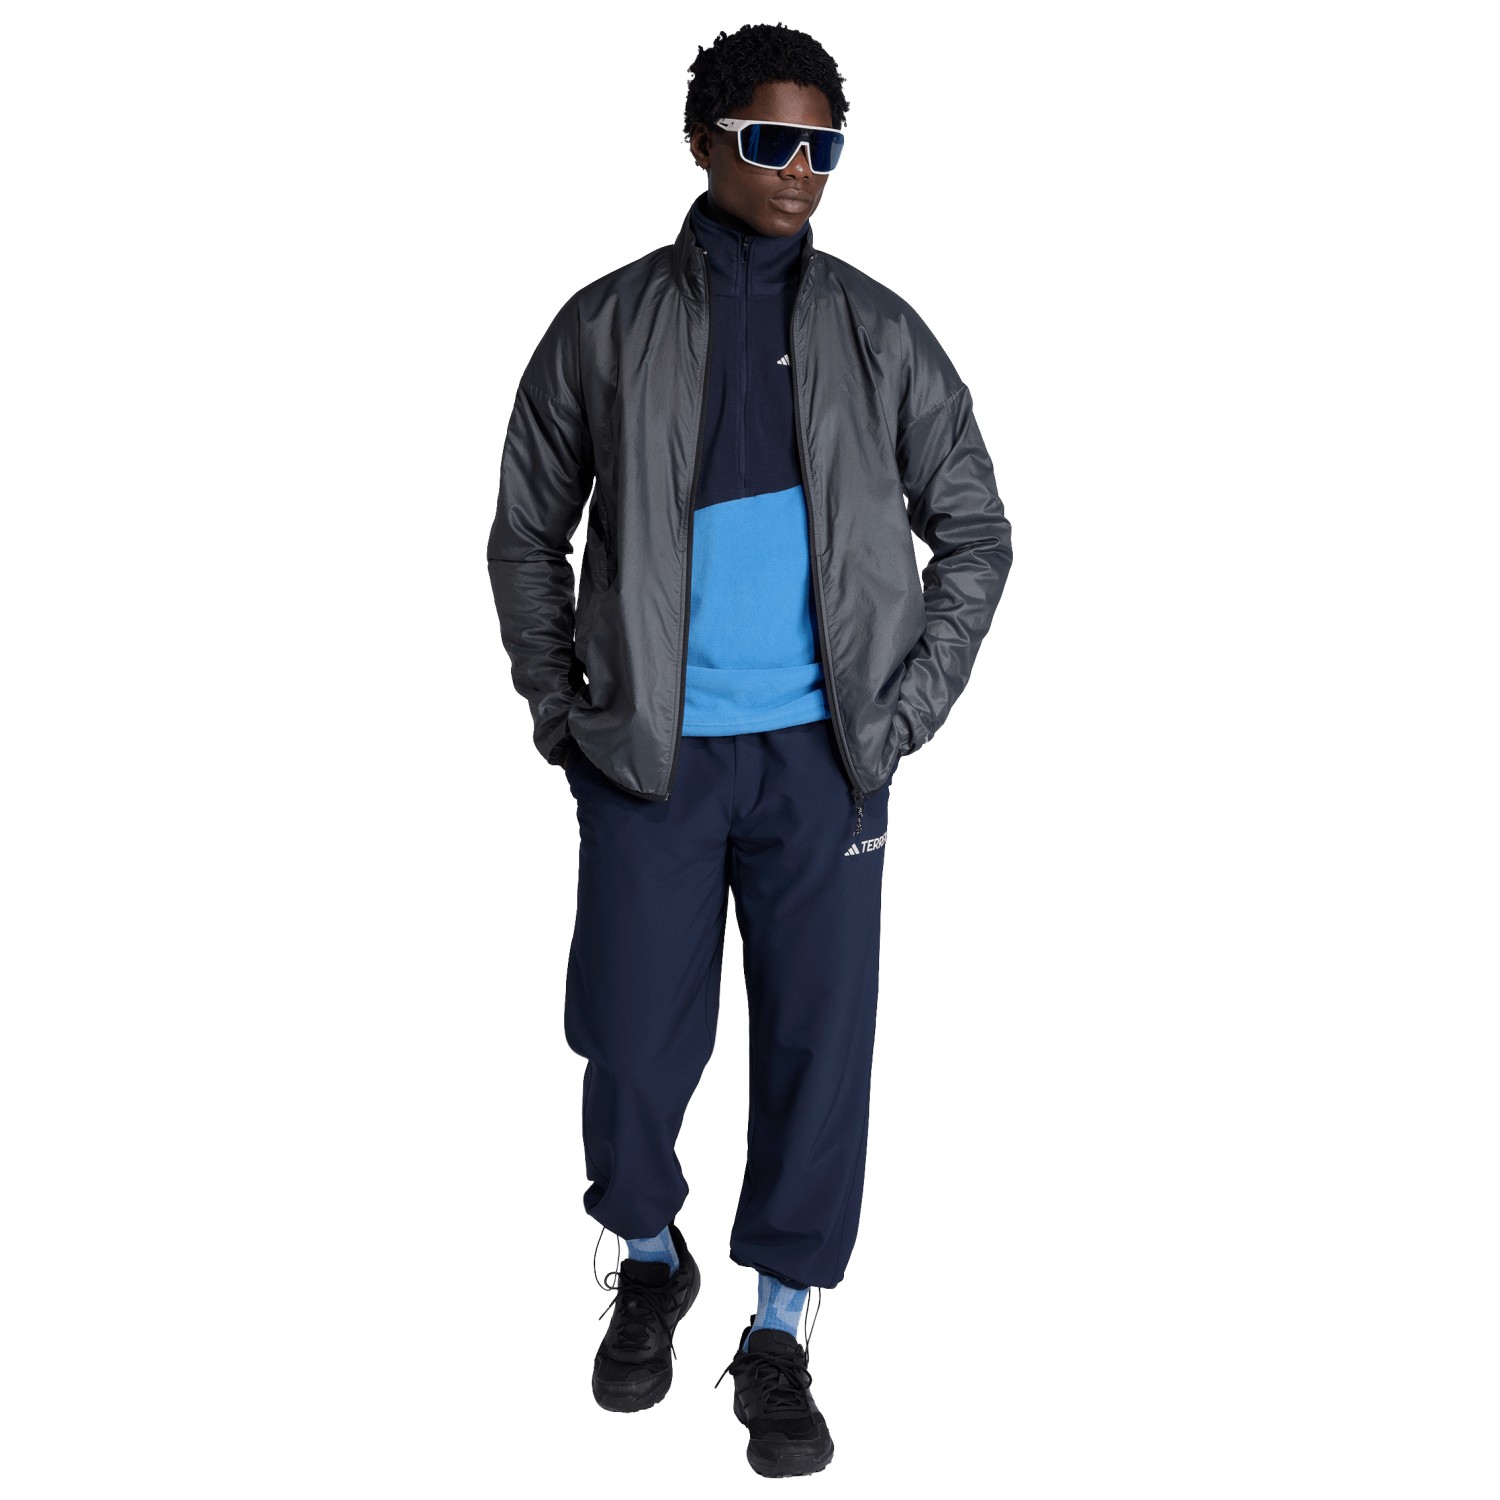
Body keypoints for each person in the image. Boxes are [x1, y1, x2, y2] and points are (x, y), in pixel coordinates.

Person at [487, 22, 1013, 1479]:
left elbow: (975, 531)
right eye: (773, 140)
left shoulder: (881, 332)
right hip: (649, 764)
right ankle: (649, 1257)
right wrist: (564, 712)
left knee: (816, 1046)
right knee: (628, 1037)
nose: (801, 170)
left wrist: (896, 718)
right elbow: (527, 534)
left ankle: (780, 1327)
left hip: (823, 762)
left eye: (824, 145)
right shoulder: (603, 325)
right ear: (704, 140)